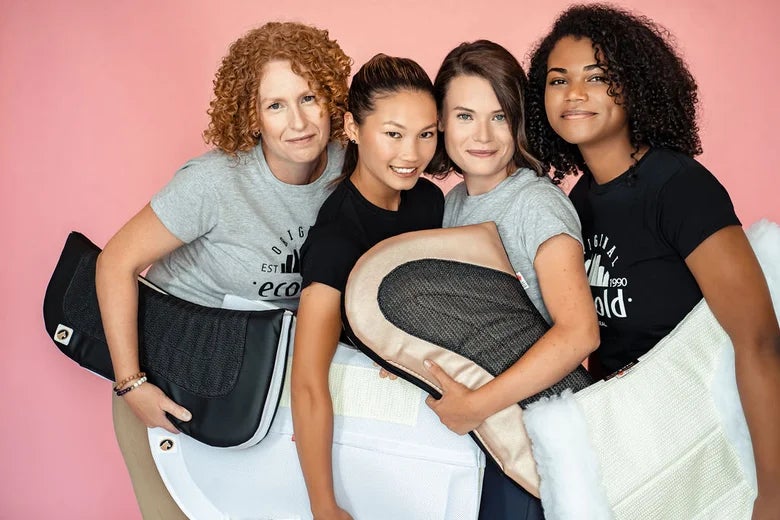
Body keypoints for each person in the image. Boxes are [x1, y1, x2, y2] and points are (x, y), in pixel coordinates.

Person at [525, 4, 780, 518]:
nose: (574, 93)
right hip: (644, 451)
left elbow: (758, 340)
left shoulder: (678, 186)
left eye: (597, 78)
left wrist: (773, 495)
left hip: (714, 442)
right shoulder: (576, 204)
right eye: (559, 80)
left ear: (635, 86)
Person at [95, 22, 351, 519]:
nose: (298, 121)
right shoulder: (214, 183)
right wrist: (131, 385)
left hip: (259, 380)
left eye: (309, 97)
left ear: (332, 99)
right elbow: (114, 262)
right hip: (168, 377)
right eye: (275, 105)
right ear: (251, 115)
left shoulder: (351, 168)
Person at [422, 40, 600, 520]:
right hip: (482, 429)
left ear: (518, 121)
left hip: (534, 434)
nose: (482, 134)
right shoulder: (454, 202)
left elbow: (580, 332)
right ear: (440, 120)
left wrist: (478, 405)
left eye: (499, 116)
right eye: (464, 116)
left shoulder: (535, 204)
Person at [291, 54, 444, 520]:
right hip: (366, 427)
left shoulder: (429, 200)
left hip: (428, 412)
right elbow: (308, 383)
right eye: (393, 134)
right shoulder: (338, 236)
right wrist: (324, 506)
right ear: (353, 128)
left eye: (426, 134)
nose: (412, 154)